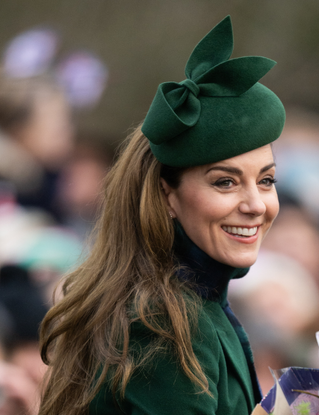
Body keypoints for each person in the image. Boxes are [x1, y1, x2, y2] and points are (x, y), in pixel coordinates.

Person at [38, 16, 285, 415]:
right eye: (225, 182)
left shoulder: (190, 304)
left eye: (267, 180)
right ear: (166, 195)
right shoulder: (164, 324)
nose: (256, 204)